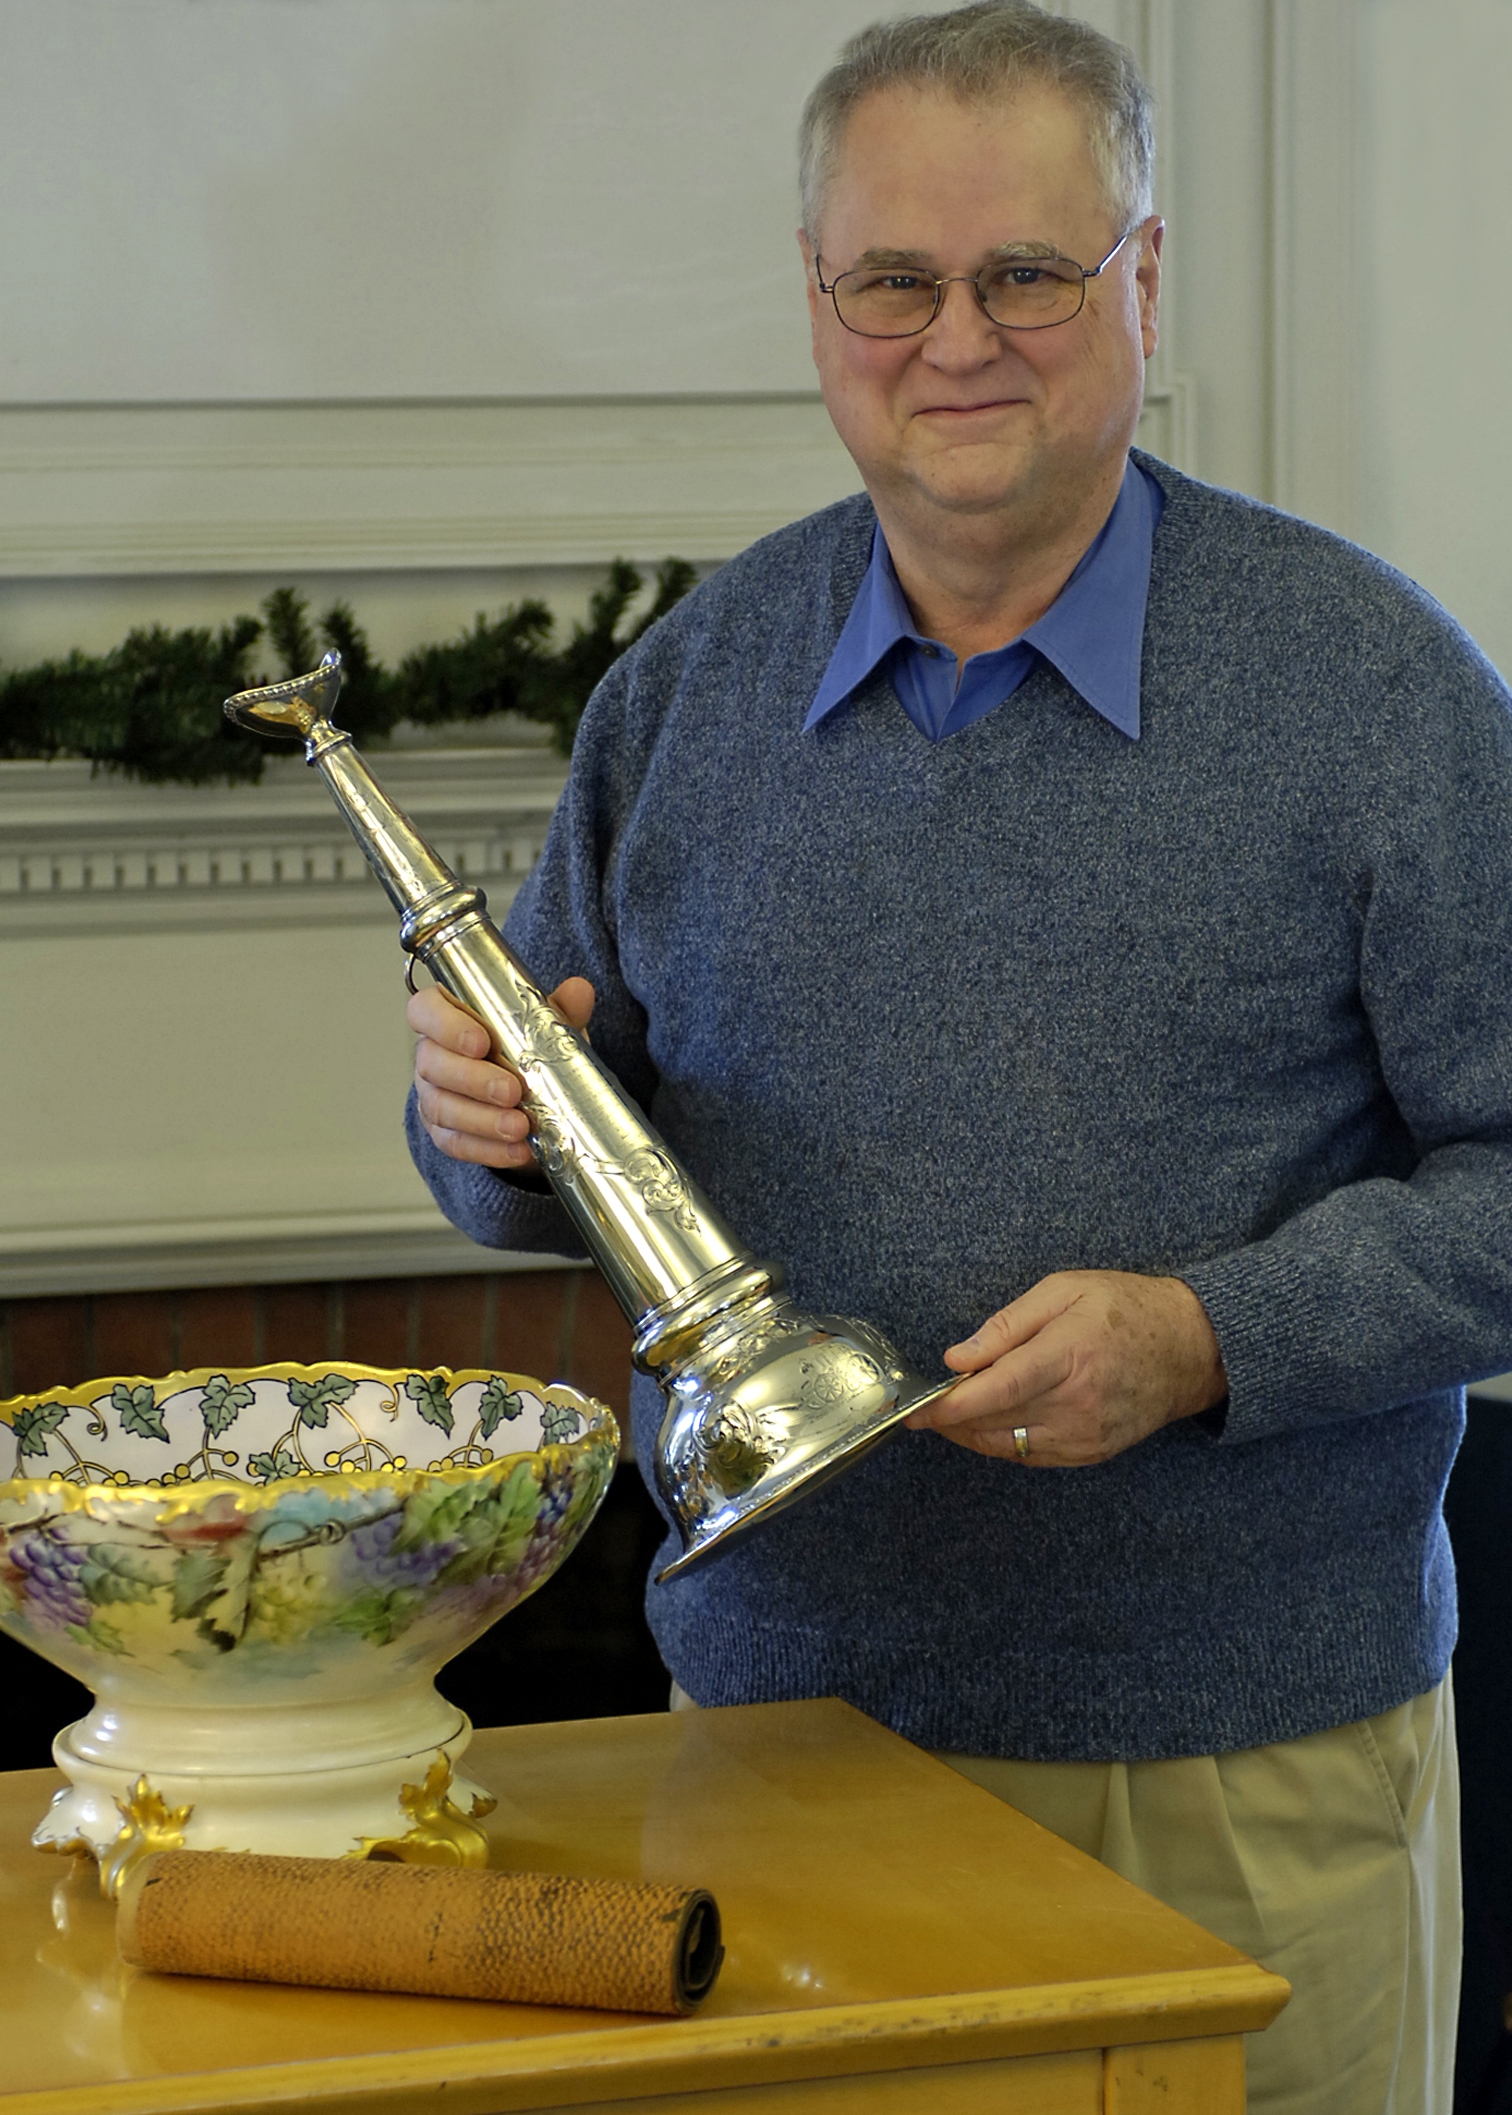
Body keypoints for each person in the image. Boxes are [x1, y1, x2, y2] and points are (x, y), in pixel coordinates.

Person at [404, 6, 1512, 2108]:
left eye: (1028, 274)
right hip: (774, 1753)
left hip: (1242, 1771)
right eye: (895, 280)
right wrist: (481, 1130)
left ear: (1147, 280)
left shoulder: (1375, 688)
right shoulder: (690, 687)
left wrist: (1208, 1337)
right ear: (818, 300)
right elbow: (550, 1148)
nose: (959, 341)